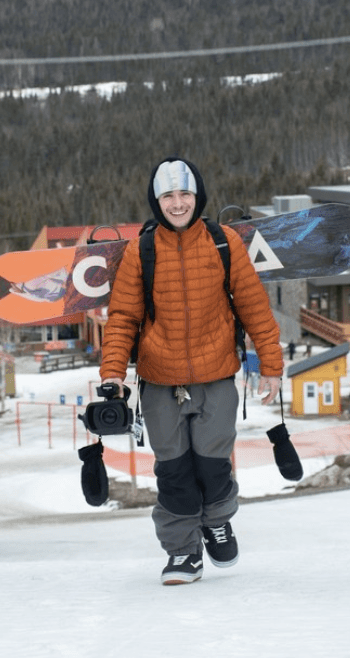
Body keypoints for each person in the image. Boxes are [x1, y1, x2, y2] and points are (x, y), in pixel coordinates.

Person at [99, 157, 284, 585]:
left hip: (216, 373)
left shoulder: (224, 243)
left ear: (197, 197)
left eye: (185, 194)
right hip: (160, 379)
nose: (178, 203)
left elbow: (254, 306)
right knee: (173, 469)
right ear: (156, 200)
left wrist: (271, 365)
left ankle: (217, 521)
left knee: (213, 465)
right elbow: (123, 317)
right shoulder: (140, 251)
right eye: (168, 196)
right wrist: (113, 375)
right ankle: (182, 551)